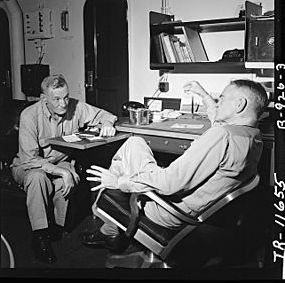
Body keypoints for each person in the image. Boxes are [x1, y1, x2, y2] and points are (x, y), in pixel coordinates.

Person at [81, 79, 268, 251]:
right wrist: (203, 95)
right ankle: (111, 228)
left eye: (222, 98)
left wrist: (120, 182)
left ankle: (109, 229)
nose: (218, 103)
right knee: (135, 143)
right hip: (187, 208)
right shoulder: (251, 136)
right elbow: (218, 121)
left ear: (240, 104)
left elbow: (169, 184)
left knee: (130, 147)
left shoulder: (221, 137)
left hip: (165, 208)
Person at [11, 74, 117, 264]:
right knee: (38, 178)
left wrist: (107, 123)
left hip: (61, 162)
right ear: (44, 99)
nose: (63, 104)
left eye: (66, 97)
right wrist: (62, 171)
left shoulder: (74, 107)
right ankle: (40, 237)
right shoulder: (29, 115)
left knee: (63, 181)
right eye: (57, 99)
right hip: (29, 165)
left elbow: (104, 115)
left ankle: (57, 229)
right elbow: (29, 159)